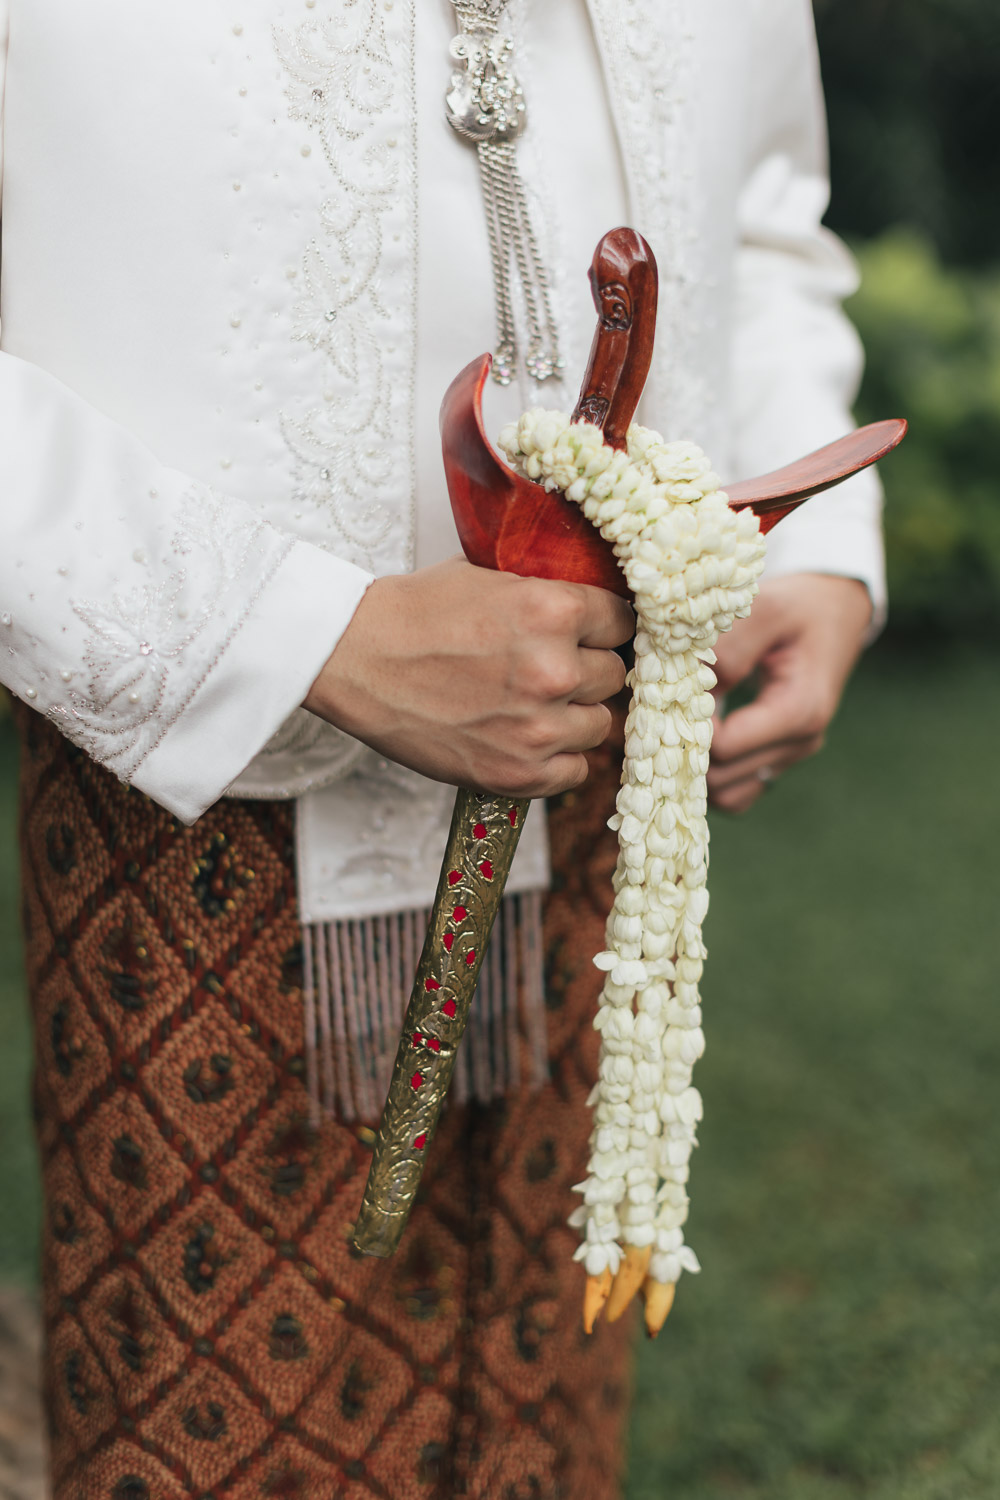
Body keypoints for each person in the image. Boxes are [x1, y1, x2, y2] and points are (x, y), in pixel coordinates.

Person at [0, 1, 883, 1496]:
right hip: (201, 803)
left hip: (598, 761)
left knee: (541, 1369)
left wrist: (809, 541)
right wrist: (299, 635)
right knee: (214, 1410)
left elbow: (766, 217)